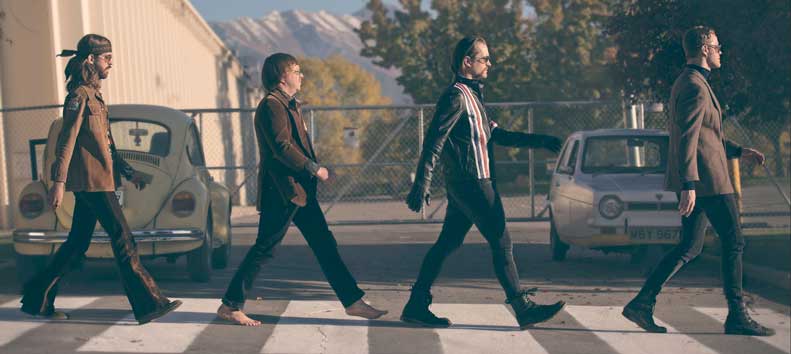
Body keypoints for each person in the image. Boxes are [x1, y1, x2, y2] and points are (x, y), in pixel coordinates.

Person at [402, 36, 566, 330]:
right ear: (467, 62)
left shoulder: (474, 97)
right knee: (502, 243)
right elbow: (434, 141)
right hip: (473, 183)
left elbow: (499, 135)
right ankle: (522, 307)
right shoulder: (456, 96)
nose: (490, 63)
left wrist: (541, 140)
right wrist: (421, 184)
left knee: (447, 244)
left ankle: (416, 305)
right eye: (484, 58)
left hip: (465, 185)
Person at [622, 26, 774, 337]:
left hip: (702, 179)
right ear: (704, 48)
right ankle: (738, 316)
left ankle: (642, 303)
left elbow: (709, 136)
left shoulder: (691, 82)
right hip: (709, 182)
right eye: (717, 46)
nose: (721, 51)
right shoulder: (694, 85)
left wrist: (740, 151)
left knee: (689, 247)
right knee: (734, 242)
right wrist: (688, 184)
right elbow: (686, 139)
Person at [20, 34, 182, 324]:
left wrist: (130, 173)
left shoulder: (95, 96)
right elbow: (66, 142)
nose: (112, 63)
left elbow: (106, 145)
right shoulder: (79, 97)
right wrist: (58, 182)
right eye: (107, 58)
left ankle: (36, 298)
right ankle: (149, 303)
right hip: (91, 183)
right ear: (91, 60)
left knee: (77, 243)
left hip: (100, 180)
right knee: (123, 239)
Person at [216, 53, 387, 326]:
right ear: (282, 76)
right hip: (283, 190)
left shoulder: (289, 105)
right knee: (266, 248)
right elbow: (282, 147)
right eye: (296, 71)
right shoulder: (272, 105)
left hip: (299, 191)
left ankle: (353, 302)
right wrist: (313, 167)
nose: (301, 75)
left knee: (324, 244)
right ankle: (230, 305)